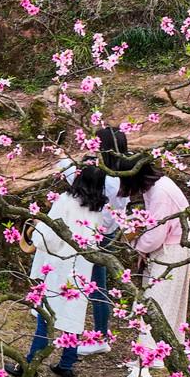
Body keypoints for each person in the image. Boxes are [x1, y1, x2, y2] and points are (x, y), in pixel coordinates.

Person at [8, 165, 107, 377]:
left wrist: (34, 236)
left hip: (60, 264)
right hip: (81, 266)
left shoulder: (65, 200)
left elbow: (49, 234)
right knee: (73, 315)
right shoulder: (98, 208)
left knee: (48, 315)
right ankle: (66, 364)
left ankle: (29, 365)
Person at [118, 157, 190, 377]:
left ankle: (143, 367)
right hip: (176, 248)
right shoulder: (159, 185)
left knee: (151, 307)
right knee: (167, 306)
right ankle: (161, 354)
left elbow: (155, 235)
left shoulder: (160, 192)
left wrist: (136, 245)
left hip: (170, 251)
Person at [57, 126, 130, 357]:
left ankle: (100, 336)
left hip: (98, 234)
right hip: (106, 231)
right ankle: (98, 332)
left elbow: (81, 184)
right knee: (95, 284)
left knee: (96, 286)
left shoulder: (109, 179)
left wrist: (64, 162)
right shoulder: (124, 171)